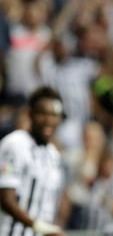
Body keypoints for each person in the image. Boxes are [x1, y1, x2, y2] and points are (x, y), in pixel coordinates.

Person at [0, 86, 67, 236]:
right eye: (42, 113)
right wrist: (40, 227)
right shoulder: (15, 144)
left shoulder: (54, 155)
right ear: (30, 114)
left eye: (54, 115)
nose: (48, 120)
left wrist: (51, 228)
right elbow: (6, 199)